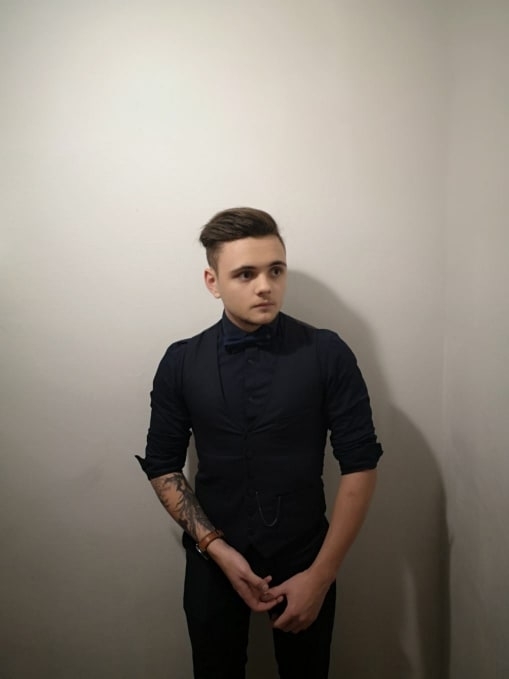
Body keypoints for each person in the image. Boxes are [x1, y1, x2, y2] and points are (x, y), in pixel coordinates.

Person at [136, 207, 383, 679]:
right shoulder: (180, 362)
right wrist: (217, 550)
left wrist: (321, 576)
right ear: (212, 282)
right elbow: (163, 464)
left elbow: (360, 464)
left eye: (276, 270)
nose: (265, 286)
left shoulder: (327, 352)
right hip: (213, 558)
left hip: (307, 555)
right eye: (245, 274)